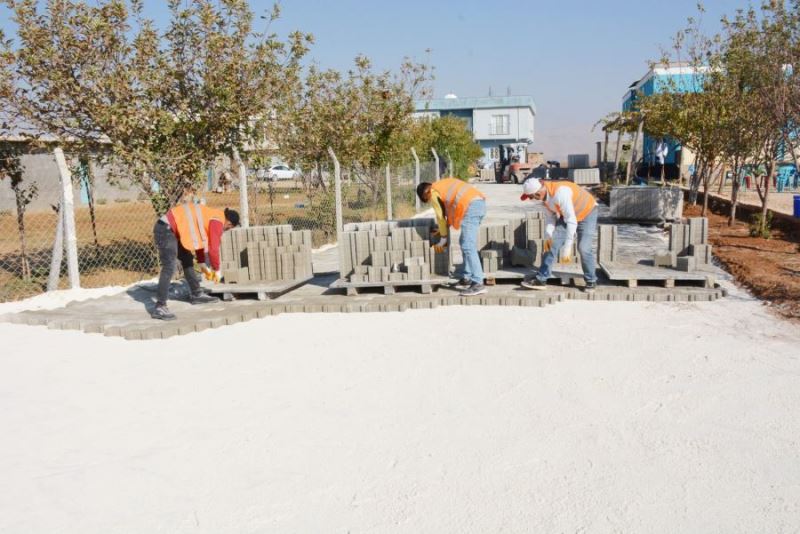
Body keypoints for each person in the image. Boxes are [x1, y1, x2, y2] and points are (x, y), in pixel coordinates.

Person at [152, 203, 240, 320]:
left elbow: (199, 241)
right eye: (228, 229)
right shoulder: (217, 221)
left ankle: (196, 294)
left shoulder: (212, 216)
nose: (226, 230)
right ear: (229, 223)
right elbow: (213, 249)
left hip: (174, 229)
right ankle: (160, 307)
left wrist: (202, 263)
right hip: (165, 229)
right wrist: (217, 270)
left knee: (187, 258)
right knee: (169, 266)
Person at [518, 177, 598, 291]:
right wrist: (549, 235)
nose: (531, 199)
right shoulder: (545, 200)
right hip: (568, 215)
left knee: (583, 248)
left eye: (531, 196)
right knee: (551, 245)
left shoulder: (560, 193)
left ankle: (591, 280)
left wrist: (568, 246)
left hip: (587, 212)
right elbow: (551, 219)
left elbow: (571, 221)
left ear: (538, 192)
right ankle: (541, 278)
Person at [416, 178, 487, 296]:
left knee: (468, 245)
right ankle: (467, 277)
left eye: (427, 200)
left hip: (471, 206)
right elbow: (448, 211)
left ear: (425, 193)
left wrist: (443, 239)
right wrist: (442, 229)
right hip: (476, 203)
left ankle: (478, 283)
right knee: (463, 242)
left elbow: (440, 217)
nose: (430, 202)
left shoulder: (433, 192)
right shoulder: (441, 187)